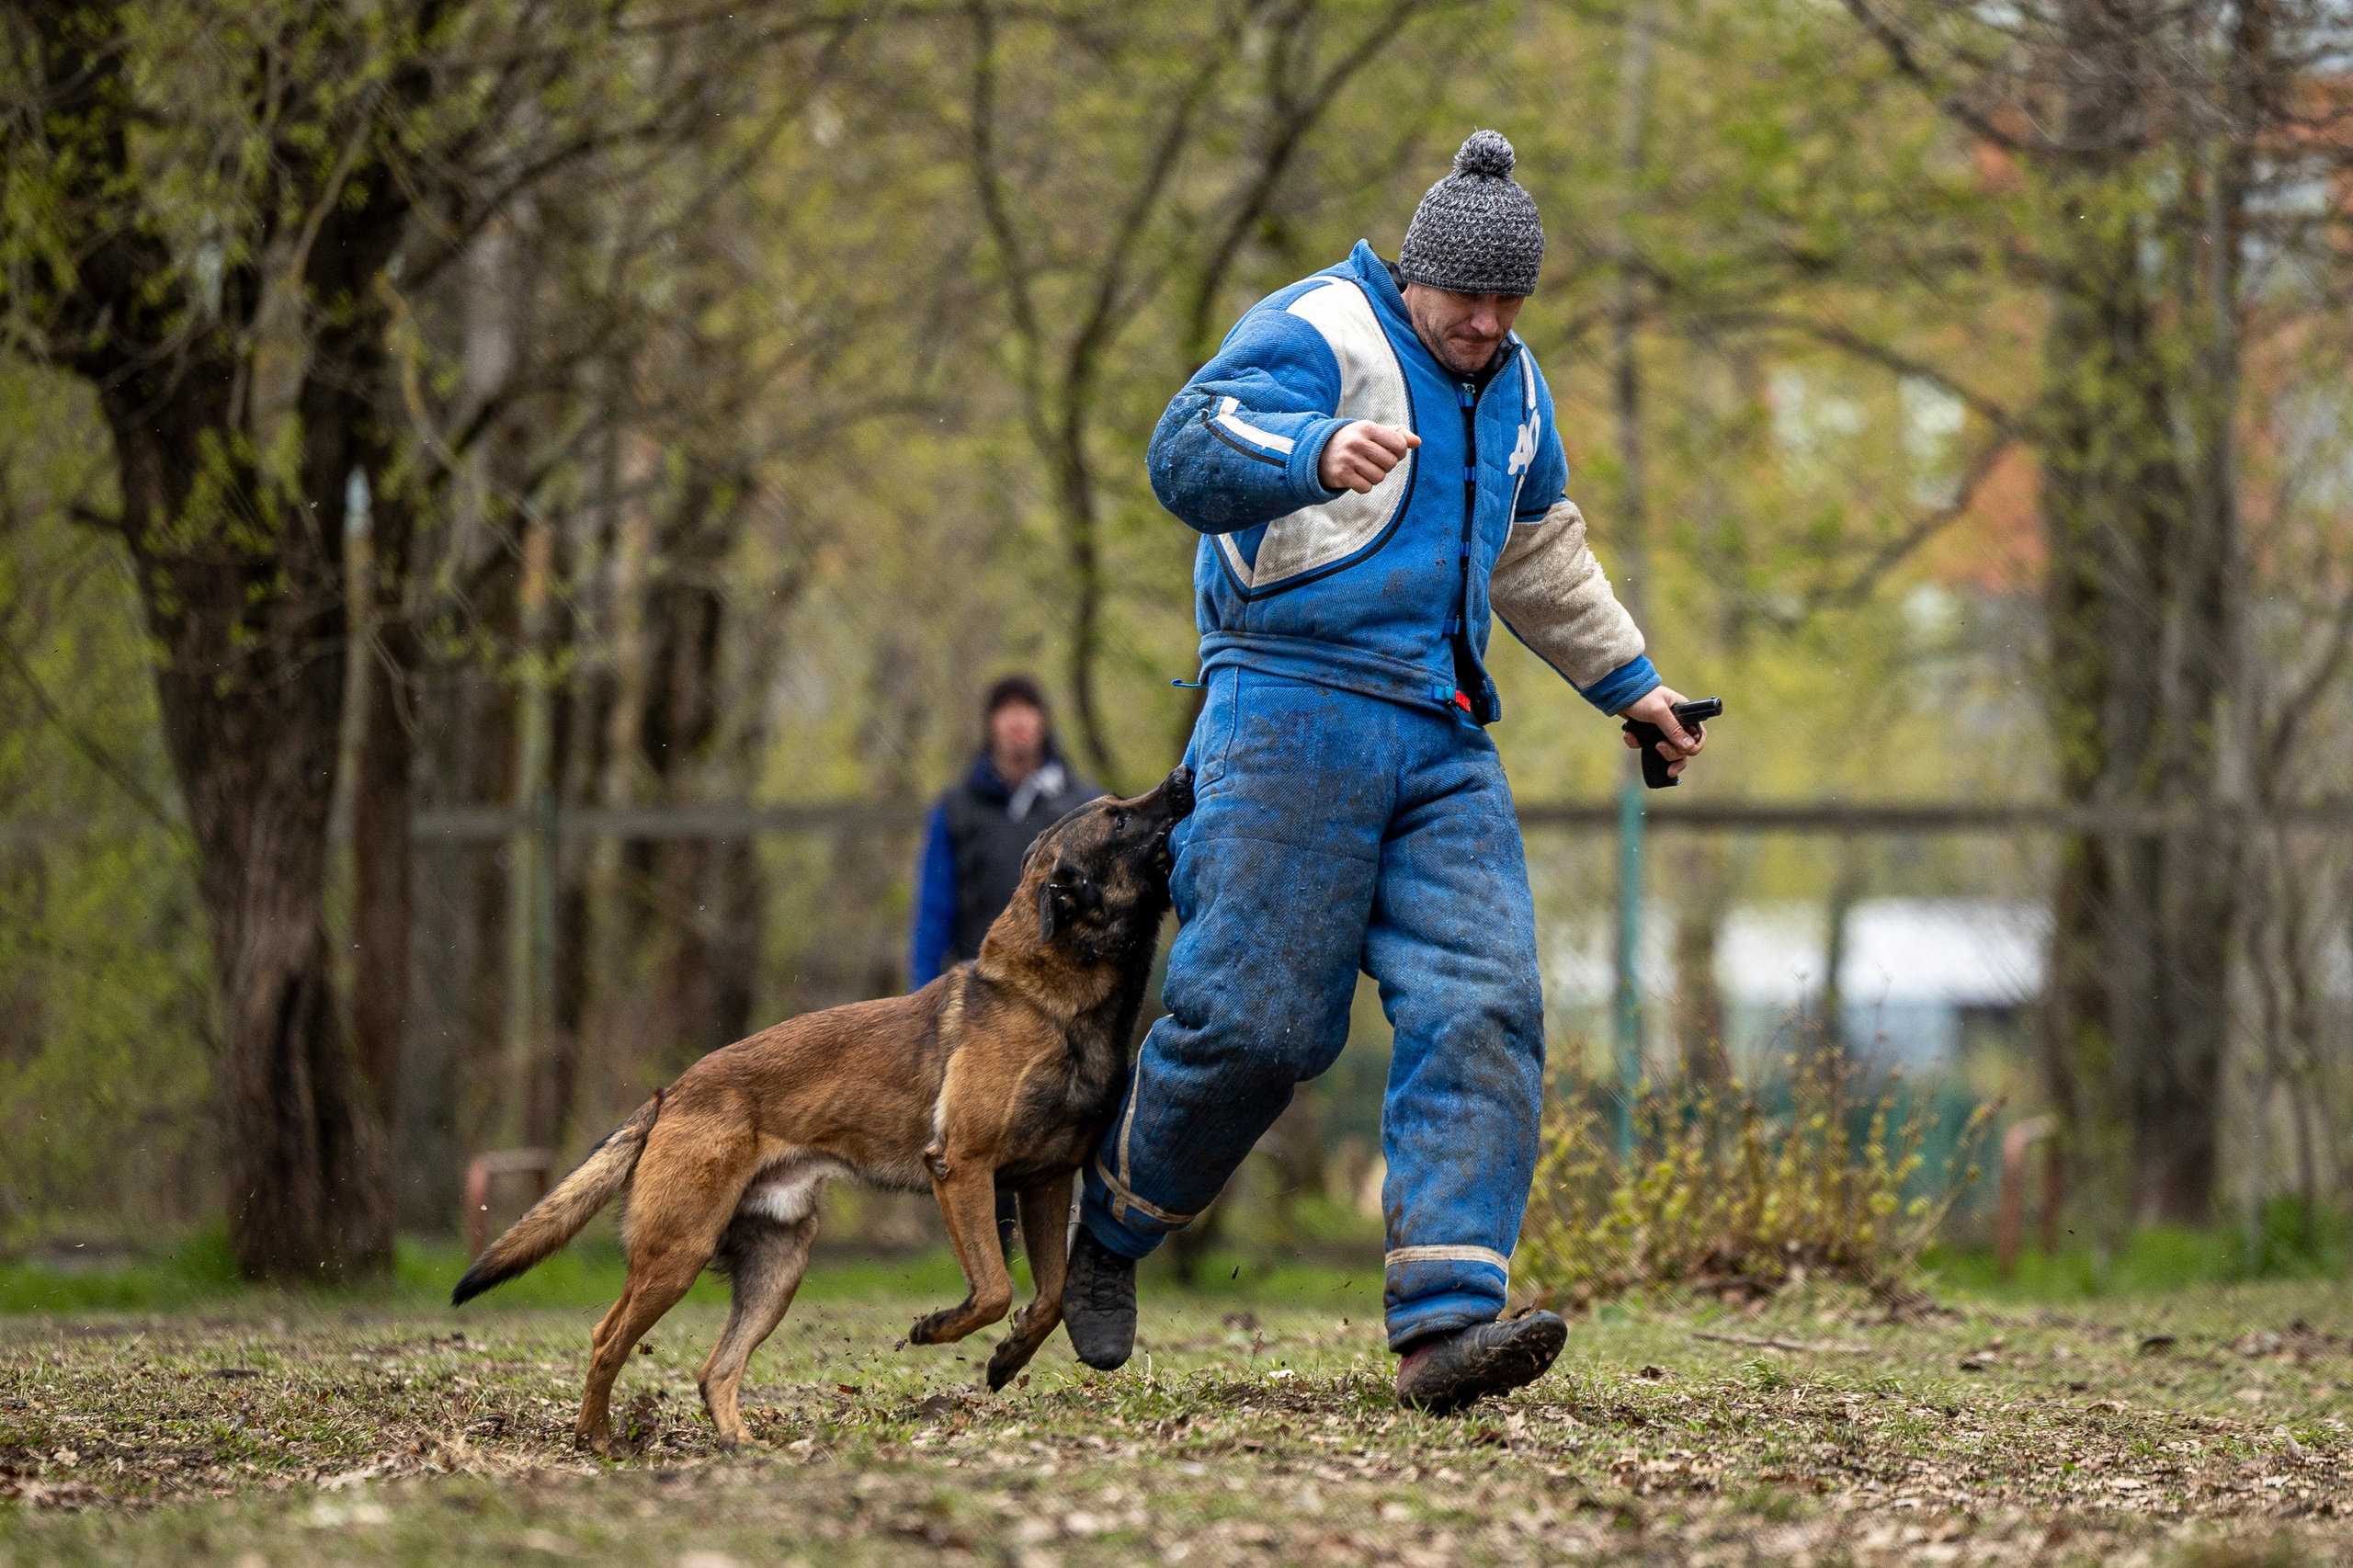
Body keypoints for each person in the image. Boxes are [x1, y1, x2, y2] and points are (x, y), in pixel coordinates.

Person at [1059, 131, 1705, 1414]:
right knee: (1258, 1024)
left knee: (1486, 997)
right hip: (1287, 711)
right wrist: (1310, 453)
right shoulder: (1319, 325)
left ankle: (1446, 1325)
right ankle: (1110, 1226)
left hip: (1444, 732)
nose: (1486, 320)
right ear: (1414, 273)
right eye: (1465, 295)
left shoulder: (1518, 387)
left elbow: (1537, 552)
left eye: (1509, 298)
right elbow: (1185, 449)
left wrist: (1635, 685)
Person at [910, 676, 1100, 1253]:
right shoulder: (958, 808)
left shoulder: (1082, 803)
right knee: (978, 1134)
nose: (1017, 723)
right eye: (1006, 712)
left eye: (1028, 711)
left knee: (1062, 1129)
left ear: (1043, 722)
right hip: (980, 1001)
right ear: (991, 724)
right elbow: (932, 911)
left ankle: (1076, 1248)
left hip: (1065, 1003)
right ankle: (987, 1258)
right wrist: (918, 1001)